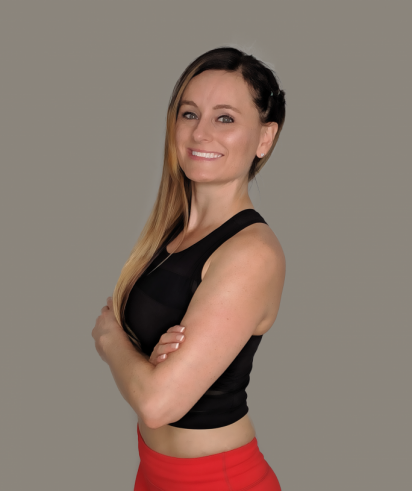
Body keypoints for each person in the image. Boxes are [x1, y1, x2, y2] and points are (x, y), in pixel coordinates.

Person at [92, 46, 286, 490]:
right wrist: (147, 363)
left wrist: (111, 341)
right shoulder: (171, 234)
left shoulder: (251, 253)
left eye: (225, 118)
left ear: (264, 138)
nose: (200, 133)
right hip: (152, 473)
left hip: (217, 481)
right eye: (189, 114)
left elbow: (158, 403)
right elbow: (153, 383)